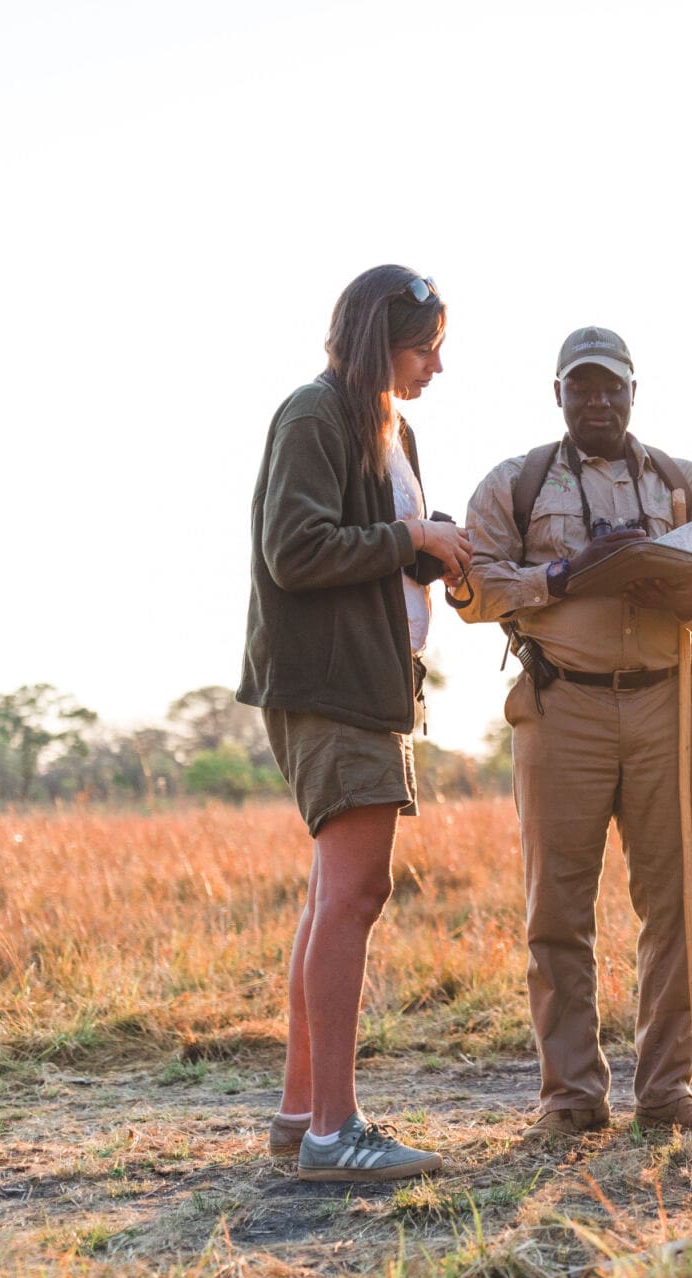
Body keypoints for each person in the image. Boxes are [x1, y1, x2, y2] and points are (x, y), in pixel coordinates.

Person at [454, 326, 692, 1140]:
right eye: (581, 388)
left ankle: (668, 1092)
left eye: (611, 387)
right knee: (557, 908)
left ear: (632, 392)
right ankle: (571, 1097)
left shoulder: (682, 482)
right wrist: (562, 574)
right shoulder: (516, 482)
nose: (597, 401)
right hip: (561, 705)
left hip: (666, 700)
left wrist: (687, 597)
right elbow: (472, 587)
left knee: (675, 904)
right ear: (557, 395)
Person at [239, 265, 471, 1179]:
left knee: (329, 896)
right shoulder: (315, 414)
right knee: (354, 896)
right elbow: (294, 551)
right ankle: (338, 1131)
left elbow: (371, 548)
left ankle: (303, 1116)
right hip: (330, 684)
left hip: (372, 679)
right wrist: (410, 542)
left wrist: (436, 547)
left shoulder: (391, 426)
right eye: (426, 347)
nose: (436, 366)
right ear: (381, 338)